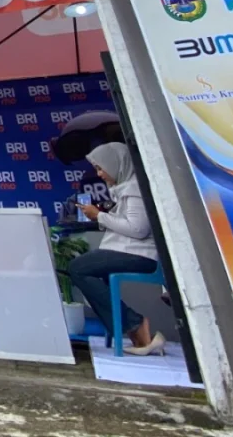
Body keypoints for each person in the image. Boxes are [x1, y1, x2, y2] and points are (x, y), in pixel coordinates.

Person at [68, 143, 165, 356]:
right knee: (84, 270)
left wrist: (99, 216)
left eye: (101, 168)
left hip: (140, 255)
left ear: (116, 164)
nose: (99, 174)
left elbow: (138, 229)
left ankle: (135, 324)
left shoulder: (134, 188)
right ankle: (132, 327)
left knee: (78, 268)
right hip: (130, 251)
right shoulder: (126, 188)